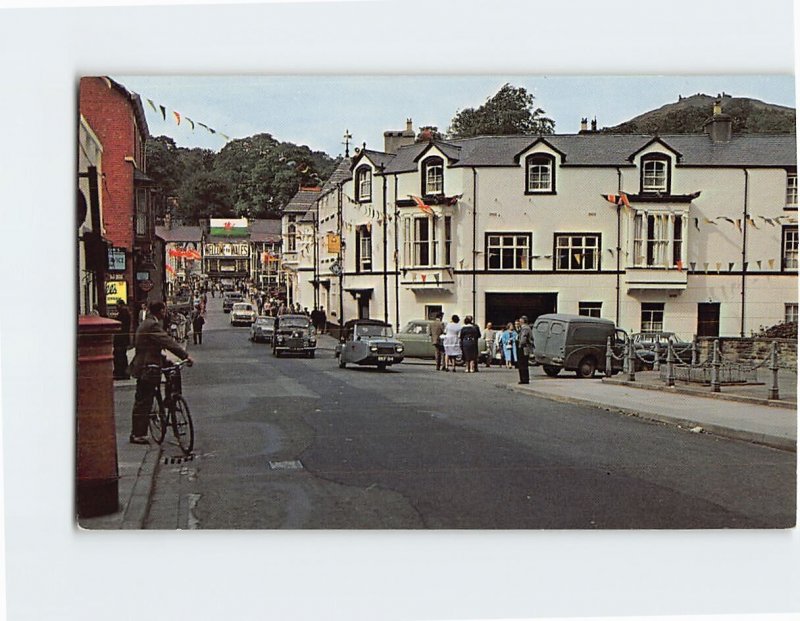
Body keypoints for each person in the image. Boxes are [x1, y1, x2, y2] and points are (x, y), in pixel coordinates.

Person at [128, 301, 193, 445]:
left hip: (148, 361)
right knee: (144, 401)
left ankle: (170, 399)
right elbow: (167, 341)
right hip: (148, 366)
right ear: (160, 311)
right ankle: (138, 434)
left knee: (171, 369)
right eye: (164, 310)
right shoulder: (152, 325)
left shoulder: (147, 322)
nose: (166, 312)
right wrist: (185, 356)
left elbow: (152, 347)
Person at [112, 299, 132, 379]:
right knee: (122, 355)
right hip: (123, 339)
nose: (116, 307)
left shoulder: (123, 313)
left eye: (117, 305)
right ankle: (124, 372)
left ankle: (120, 373)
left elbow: (119, 324)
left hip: (120, 339)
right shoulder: (126, 313)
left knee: (119, 355)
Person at [517, 315, 533, 384]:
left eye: (520, 320)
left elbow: (523, 338)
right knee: (523, 364)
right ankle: (524, 378)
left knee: (522, 363)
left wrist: (520, 344)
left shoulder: (525, 328)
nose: (519, 322)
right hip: (524, 347)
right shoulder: (524, 328)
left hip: (524, 348)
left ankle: (524, 379)